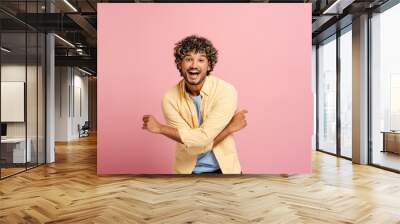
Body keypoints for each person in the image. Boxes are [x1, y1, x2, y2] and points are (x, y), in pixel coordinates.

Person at [142, 35, 247, 174]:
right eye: (188, 59)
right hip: (186, 173)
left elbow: (199, 140)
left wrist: (161, 128)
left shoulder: (226, 91)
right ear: (180, 64)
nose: (194, 65)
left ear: (209, 65)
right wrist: (229, 129)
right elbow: (193, 147)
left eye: (201, 60)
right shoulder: (170, 98)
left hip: (227, 171)